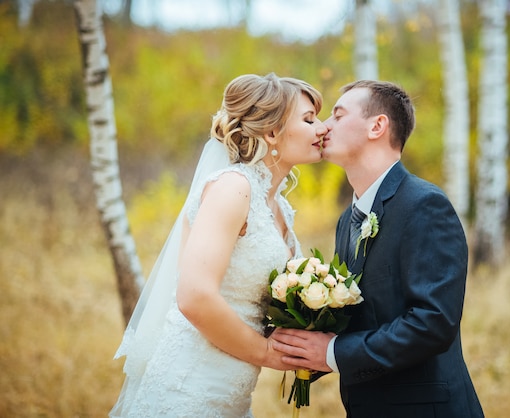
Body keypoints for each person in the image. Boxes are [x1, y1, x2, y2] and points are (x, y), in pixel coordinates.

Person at [110, 73, 328, 418]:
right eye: (310, 119)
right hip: (190, 387)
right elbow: (194, 297)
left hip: (232, 394)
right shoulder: (233, 188)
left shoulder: (280, 206)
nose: (323, 128)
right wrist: (268, 353)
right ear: (272, 132)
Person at [272, 80, 484, 417]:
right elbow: (363, 316)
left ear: (377, 126)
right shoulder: (347, 221)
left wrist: (334, 352)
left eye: (338, 116)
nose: (324, 126)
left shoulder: (424, 205)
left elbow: (432, 323)